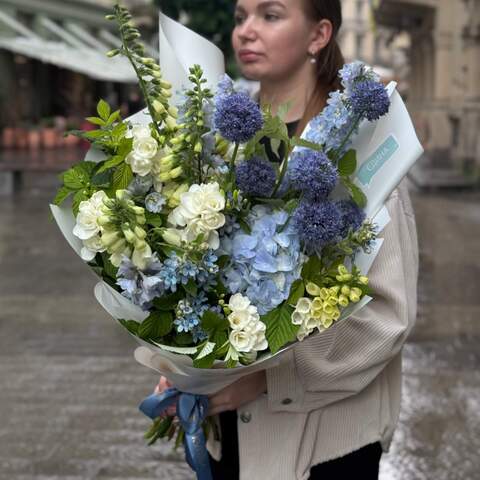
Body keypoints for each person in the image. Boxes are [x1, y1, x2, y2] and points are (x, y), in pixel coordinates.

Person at [155, 0, 419, 479]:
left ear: (319, 35)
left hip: (325, 444)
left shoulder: (362, 150)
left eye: (270, 15)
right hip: (229, 436)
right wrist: (182, 361)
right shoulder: (215, 144)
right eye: (240, 17)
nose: (246, 32)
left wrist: (268, 379)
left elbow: (387, 315)